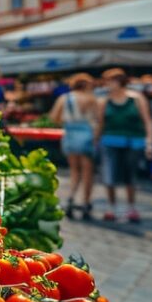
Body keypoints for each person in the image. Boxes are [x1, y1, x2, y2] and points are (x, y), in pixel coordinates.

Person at [95, 68, 152, 223]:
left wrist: (149, 142)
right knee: (109, 175)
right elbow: (100, 124)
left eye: (110, 81)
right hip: (109, 141)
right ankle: (111, 207)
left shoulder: (136, 98)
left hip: (133, 141)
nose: (107, 85)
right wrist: (94, 142)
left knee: (131, 176)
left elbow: (147, 121)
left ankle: (131, 208)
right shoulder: (104, 101)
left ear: (119, 82)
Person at [49, 73, 99, 221]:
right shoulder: (91, 98)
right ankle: (85, 202)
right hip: (87, 134)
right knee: (88, 172)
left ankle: (70, 198)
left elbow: (54, 117)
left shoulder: (65, 98)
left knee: (74, 170)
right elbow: (98, 119)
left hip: (70, 133)